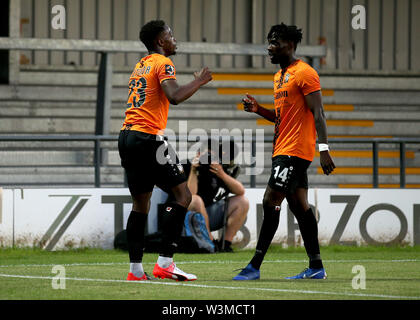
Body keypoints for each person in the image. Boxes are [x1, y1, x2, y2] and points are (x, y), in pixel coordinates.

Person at [233, 23, 335, 280]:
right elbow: (281, 118)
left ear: (290, 45)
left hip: (295, 150)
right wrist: (258, 110)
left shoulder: (306, 73)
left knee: (271, 200)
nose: (270, 47)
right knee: (300, 207)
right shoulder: (279, 77)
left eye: (275, 42)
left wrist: (324, 149)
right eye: (269, 41)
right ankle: (316, 267)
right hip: (283, 149)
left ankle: (254, 266)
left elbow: (319, 113)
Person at [118, 20, 212, 282]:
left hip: (126, 136)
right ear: (160, 41)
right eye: (170, 35)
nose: (174, 39)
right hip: (148, 137)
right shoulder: (163, 63)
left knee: (140, 204)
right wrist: (200, 82)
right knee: (183, 195)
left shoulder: (141, 64)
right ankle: (165, 263)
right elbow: (174, 96)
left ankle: (136, 271)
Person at [186, 139, 249, 252]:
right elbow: (190, 196)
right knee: (196, 200)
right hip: (190, 215)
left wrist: (221, 174)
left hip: (210, 212)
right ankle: (210, 241)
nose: (209, 159)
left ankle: (225, 244)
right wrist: (194, 170)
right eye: (206, 155)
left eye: (212, 156)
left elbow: (240, 191)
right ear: (198, 154)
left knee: (243, 201)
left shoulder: (217, 169)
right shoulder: (188, 166)